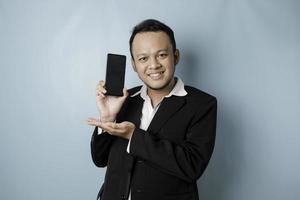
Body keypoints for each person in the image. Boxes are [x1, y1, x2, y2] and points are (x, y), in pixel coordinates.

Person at [87, 19, 217, 200]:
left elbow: (192, 166)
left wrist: (134, 136)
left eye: (162, 55)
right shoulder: (122, 100)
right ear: (134, 65)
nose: (154, 65)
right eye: (143, 58)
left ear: (176, 56)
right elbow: (99, 159)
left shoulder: (202, 104)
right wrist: (107, 118)